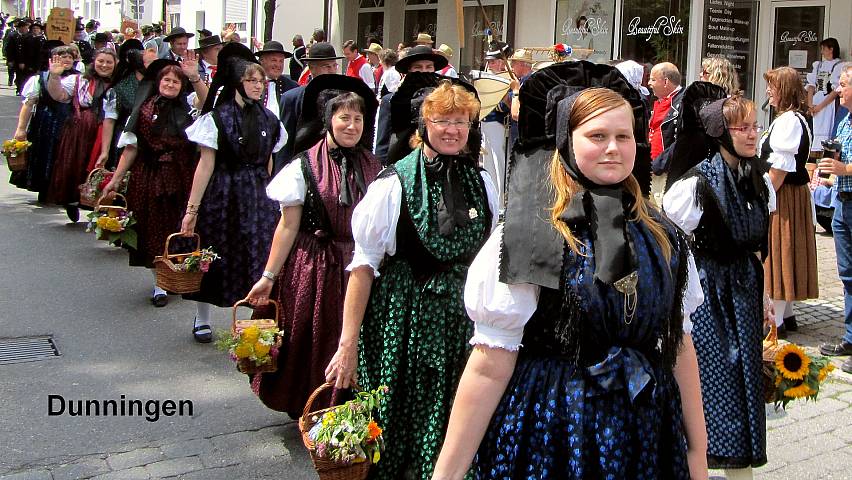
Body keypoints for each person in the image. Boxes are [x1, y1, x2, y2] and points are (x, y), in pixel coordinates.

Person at [434, 82, 707, 479]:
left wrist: (697, 452)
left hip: (645, 431)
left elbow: (679, 346)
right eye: (597, 136)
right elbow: (489, 365)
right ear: (567, 141)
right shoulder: (532, 231)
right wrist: (448, 474)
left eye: (623, 136)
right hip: (555, 429)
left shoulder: (663, 234)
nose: (613, 147)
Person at [325, 79, 498, 480]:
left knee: (458, 414)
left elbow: (492, 254)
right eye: (443, 121)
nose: (454, 130)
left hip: (463, 325)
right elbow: (364, 267)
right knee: (401, 423)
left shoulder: (483, 181)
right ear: (425, 125)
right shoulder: (394, 183)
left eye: (462, 121)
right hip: (403, 323)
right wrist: (347, 344)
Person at [245, 75, 382, 417]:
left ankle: (349, 411)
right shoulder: (304, 166)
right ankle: (311, 406)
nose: (351, 126)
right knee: (311, 335)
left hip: (361, 267)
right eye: (344, 118)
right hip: (316, 265)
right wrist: (268, 275)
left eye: (358, 119)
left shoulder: (376, 168)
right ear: (328, 121)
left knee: (356, 340)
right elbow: (288, 226)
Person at [664, 95, 775, 477]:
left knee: (745, 380)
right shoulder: (694, 186)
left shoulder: (760, 182)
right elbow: (676, 250)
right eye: (741, 127)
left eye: (754, 126)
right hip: (708, 293)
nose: (751, 134)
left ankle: (739, 467)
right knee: (715, 383)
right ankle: (699, 465)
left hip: (745, 291)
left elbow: (759, 248)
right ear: (719, 133)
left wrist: (766, 298)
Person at [180, 43, 286, 342]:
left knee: (257, 255)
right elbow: (205, 166)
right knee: (213, 255)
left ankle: (254, 323)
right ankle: (202, 318)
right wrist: (192, 211)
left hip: (256, 195)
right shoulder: (216, 118)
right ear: (238, 83)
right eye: (252, 80)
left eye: (261, 81)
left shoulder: (270, 120)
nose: (258, 86)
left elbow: (269, 164)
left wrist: (272, 201)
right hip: (223, 194)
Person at [100, 59, 208, 306]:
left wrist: (194, 77)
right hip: (149, 175)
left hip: (182, 175)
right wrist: (115, 180)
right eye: (166, 80)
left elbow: (206, 100)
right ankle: (158, 282)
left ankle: (178, 273)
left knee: (179, 225)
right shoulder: (144, 110)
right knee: (152, 230)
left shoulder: (189, 107)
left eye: (175, 81)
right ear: (158, 82)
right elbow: (131, 148)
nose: (170, 84)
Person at [761, 66, 819, 336]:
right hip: (792, 195)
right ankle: (789, 314)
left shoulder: (789, 121)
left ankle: (777, 320)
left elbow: (779, 170)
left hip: (783, 196)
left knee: (779, 251)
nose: (768, 93)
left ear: (783, 90)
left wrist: (764, 197)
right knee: (788, 250)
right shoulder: (796, 118)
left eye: (772, 87)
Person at [45, 48, 117, 222]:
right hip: (79, 130)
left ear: (116, 64)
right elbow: (58, 95)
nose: (104, 65)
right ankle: (71, 200)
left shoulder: (118, 84)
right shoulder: (79, 80)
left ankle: (100, 205)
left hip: (107, 130)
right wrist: (54, 76)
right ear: (93, 61)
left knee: (102, 168)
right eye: (101, 61)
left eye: (109, 62)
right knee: (74, 164)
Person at [818, 64, 852, 374]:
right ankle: (851, 338)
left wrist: (844, 170)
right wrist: (827, 177)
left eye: (842, 84)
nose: (837, 90)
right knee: (848, 274)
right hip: (843, 204)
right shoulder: (845, 122)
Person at [10, 42, 74, 200]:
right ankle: (44, 188)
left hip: (69, 123)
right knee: (44, 155)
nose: (66, 59)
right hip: (45, 122)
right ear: (52, 60)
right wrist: (21, 129)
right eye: (61, 57)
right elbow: (28, 104)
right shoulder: (39, 79)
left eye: (69, 57)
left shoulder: (79, 78)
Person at [374, 46, 447, 166]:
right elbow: (383, 143)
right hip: (402, 163)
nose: (424, 71)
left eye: (429, 67)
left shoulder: (444, 99)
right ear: (409, 70)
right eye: (418, 67)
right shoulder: (391, 101)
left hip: (438, 163)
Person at [277, 42, 342, 171]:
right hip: (304, 168)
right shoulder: (292, 98)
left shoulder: (346, 97)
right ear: (312, 68)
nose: (332, 70)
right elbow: (285, 144)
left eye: (334, 66)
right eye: (326, 66)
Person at [95, 39, 147, 170]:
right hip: (125, 141)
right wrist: (105, 151)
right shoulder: (120, 87)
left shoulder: (158, 83)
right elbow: (109, 121)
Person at [648, 62, 684, 203]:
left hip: (665, 174)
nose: (649, 83)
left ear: (666, 81)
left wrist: (658, 165)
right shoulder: (660, 101)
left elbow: (681, 143)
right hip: (652, 172)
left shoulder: (683, 103)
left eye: (653, 79)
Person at [806, 38, 842, 155]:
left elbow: (835, 90)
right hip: (816, 101)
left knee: (826, 129)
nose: (822, 52)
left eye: (823, 49)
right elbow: (811, 85)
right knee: (813, 130)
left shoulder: (839, 65)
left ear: (831, 49)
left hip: (828, 103)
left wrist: (820, 106)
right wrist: (810, 104)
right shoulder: (818, 65)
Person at [254, 40, 298, 120]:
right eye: (274, 60)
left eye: (281, 61)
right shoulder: (251, 84)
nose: (278, 65)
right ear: (262, 61)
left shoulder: (292, 87)